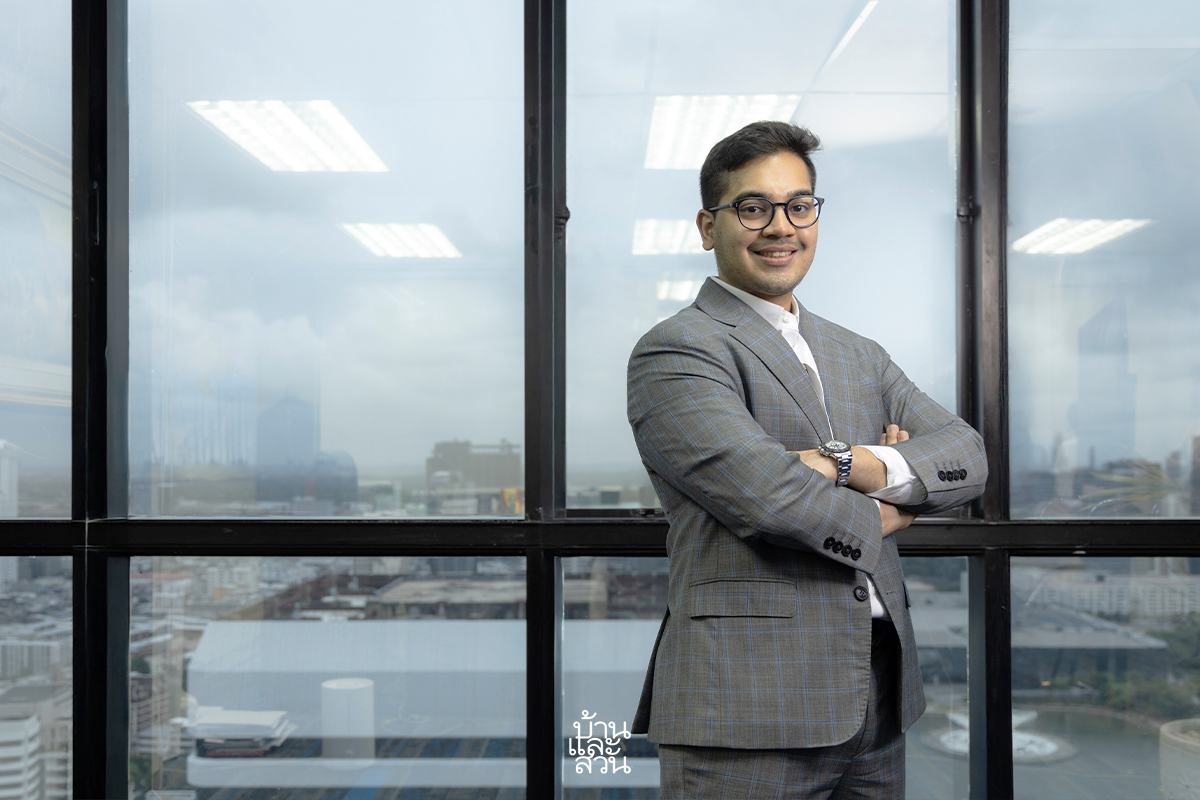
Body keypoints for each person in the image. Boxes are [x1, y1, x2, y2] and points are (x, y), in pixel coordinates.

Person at [626, 120, 987, 798]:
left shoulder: (860, 353)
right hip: (747, 706)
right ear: (707, 227)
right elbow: (771, 498)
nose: (780, 227)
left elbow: (966, 455)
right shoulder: (678, 350)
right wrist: (896, 505)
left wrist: (844, 463)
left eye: (798, 206)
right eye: (753, 208)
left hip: (878, 695)